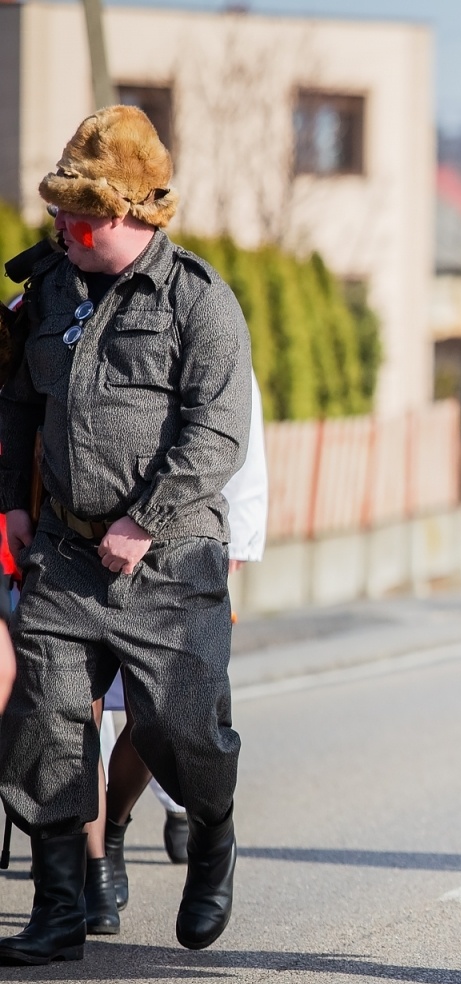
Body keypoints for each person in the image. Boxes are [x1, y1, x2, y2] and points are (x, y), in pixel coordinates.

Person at [0, 105, 251, 965]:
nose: (57, 228)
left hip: (172, 562)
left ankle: (212, 830)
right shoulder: (49, 293)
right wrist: (14, 502)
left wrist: (143, 521)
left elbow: (217, 434)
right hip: (65, 556)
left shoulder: (199, 301)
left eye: (72, 216)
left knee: (180, 730)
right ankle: (59, 911)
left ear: (121, 216)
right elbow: (19, 403)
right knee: (45, 723)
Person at [86, 371, 268, 935]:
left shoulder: (195, 305)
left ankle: (121, 820)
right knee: (71, 712)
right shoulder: (47, 307)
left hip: (176, 548)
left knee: (155, 716)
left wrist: (233, 538)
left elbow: (233, 426)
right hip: (68, 542)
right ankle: (89, 869)